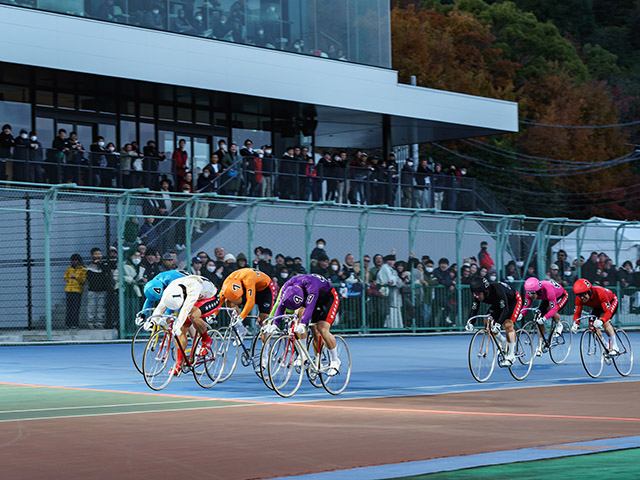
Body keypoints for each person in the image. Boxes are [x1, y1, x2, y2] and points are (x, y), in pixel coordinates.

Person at [266, 273, 341, 373]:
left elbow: (310, 306)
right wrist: (274, 324)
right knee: (299, 321)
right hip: (307, 297)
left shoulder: (311, 285)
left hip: (327, 298)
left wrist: (303, 323)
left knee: (322, 329)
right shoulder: (286, 287)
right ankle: (303, 355)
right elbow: (280, 306)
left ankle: (335, 360)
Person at [152, 275, 220, 376]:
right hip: (195, 296)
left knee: (193, 316)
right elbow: (161, 306)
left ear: (183, 296)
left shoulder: (193, 288)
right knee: (183, 328)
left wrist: (177, 325)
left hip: (210, 297)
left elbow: (185, 310)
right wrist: (153, 320)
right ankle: (178, 363)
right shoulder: (171, 288)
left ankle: (206, 339)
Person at [466, 276, 523, 366]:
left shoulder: (498, 290)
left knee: (508, 324)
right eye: (473, 293)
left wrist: (498, 324)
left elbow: (506, 310)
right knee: (487, 322)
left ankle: (511, 355)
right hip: (498, 304)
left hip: (513, 301)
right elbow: (474, 308)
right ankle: (503, 341)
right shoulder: (477, 295)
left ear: (485, 291)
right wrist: (470, 322)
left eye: (478, 293)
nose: (476, 296)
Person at [571, 278, 619, 355]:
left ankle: (615, 347)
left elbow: (607, 312)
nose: (582, 298)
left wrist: (602, 321)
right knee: (592, 327)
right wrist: (576, 323)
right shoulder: (578, 299)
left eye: (584, 294)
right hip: (597, 306)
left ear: (589, 291)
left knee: (604, 322)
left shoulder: (600, 292)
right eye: (579, 295)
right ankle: (605, 346)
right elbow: (577, 313)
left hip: (610, 302)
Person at [523, 277, 568, 356]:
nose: (530, 295)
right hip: (546, 298)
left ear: (538, 290)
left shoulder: (548, 290)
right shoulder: (530, 291)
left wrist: (544, 318)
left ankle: (558, 324)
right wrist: (521, 314)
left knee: (549, 309)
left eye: (533, 293)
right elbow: (526, 306)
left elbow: (553, 309)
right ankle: (541, 343)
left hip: (561, 296)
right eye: (529, 293)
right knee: (538, 315)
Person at [63, 254, 87, 329]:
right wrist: (66, 279)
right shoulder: (69, 269)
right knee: (69, 307)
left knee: (75, 307)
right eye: (73, 260)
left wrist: (76, 276)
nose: (75, 262)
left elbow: (83, 280)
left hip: (77, 290)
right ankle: (68, 323)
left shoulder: (83, 269)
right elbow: (65, 277)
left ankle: (75, 324)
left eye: (76, 260)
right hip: (69, 289)